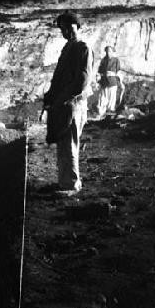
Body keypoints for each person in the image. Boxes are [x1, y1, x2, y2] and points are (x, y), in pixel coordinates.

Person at [42, 12, 92, 197]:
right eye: (62, 28)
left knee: (69, 143)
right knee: (63, 143)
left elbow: (82, 81)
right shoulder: (68, 48)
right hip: (63, 104)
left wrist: (62, 98)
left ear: (77, 26)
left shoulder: (82, 48)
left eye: (69, 27)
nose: (65, 31)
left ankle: (71, 185)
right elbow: (59, 78)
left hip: (72, 104)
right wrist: (50, 97)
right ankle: (64, 181)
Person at [96, 46, 124, 118]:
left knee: (111, 98)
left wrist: (120, 82)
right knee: (103, 98)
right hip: (104, 81)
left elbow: (118, 71)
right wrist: (98, 80)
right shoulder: (103, 60)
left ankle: (109, 114)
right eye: (107, 51)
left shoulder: (116, 60)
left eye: (110, 51)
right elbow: (99, 72)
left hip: (112, 81)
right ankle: (101, 114)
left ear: (113, 52)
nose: (108, 53)